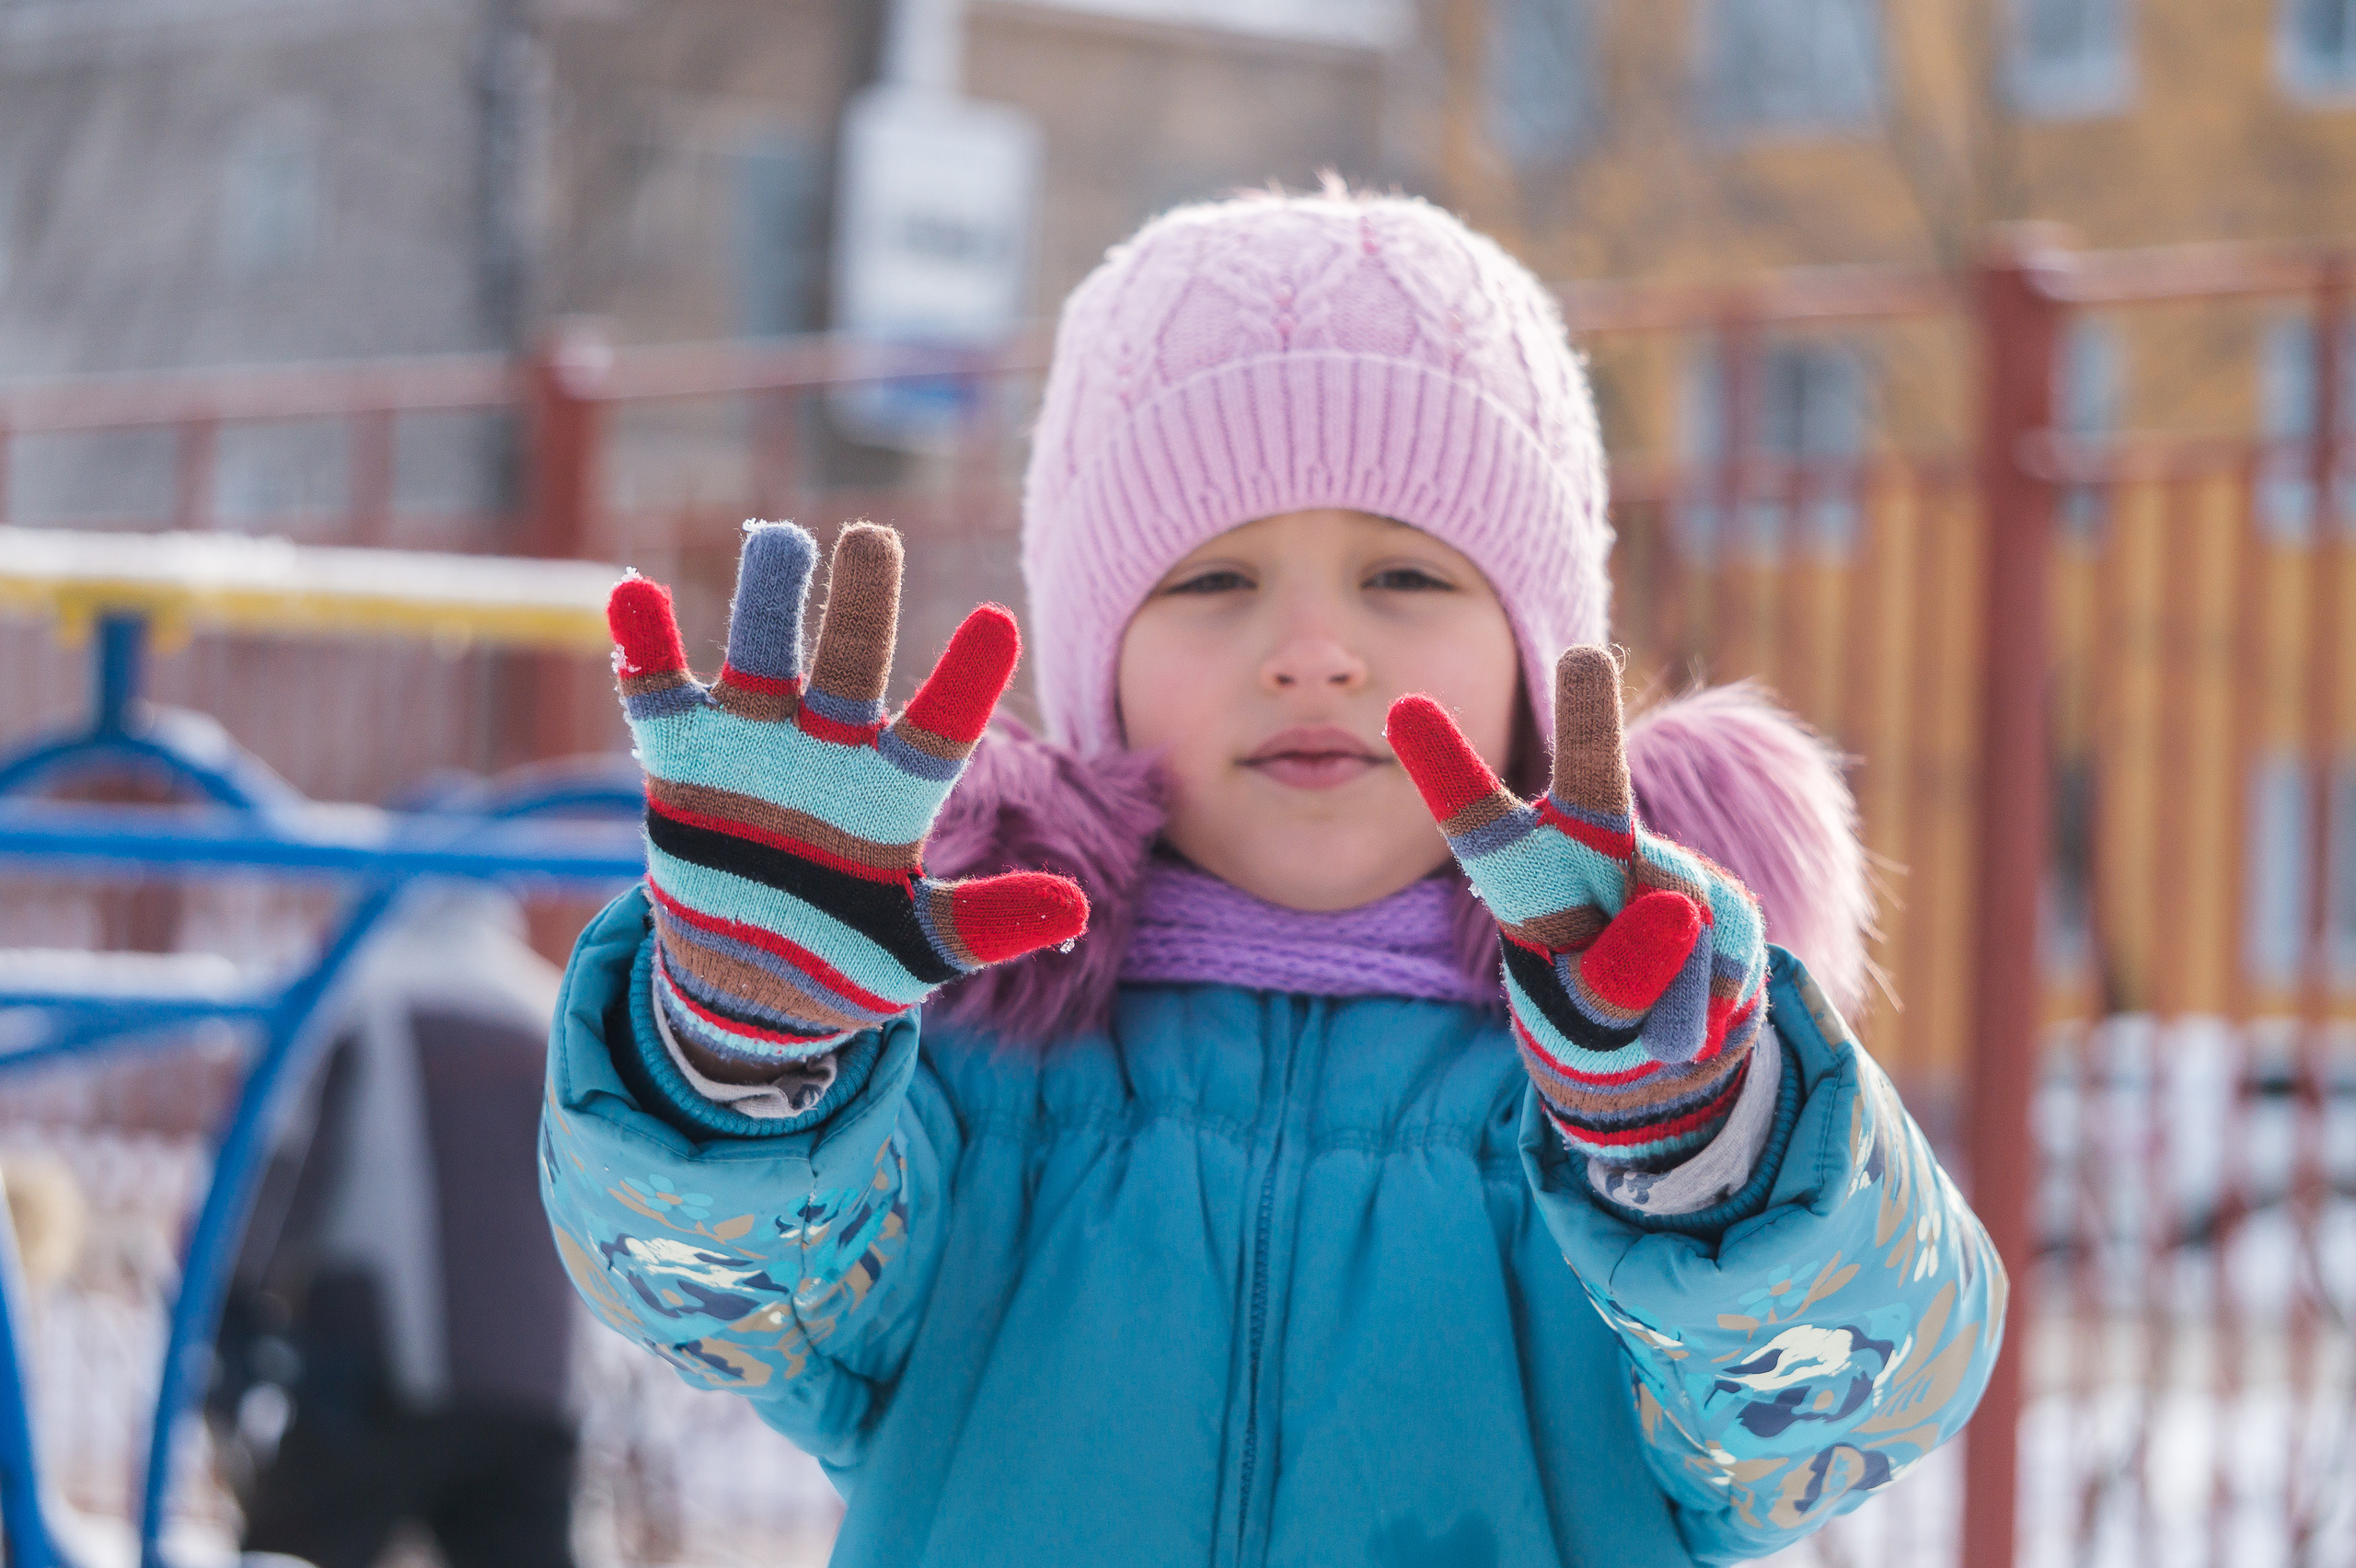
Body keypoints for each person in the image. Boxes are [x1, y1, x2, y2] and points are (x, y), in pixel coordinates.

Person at [538, 183, 2004, 1567]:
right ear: (1096, 660)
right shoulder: (975, 1062)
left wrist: (1692, 1147)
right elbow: (736, 1306)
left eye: (1406, 577)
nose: (1312, 648)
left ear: (1539, 668)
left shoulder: (1629, 1069)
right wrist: (740, 1049)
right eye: (1215, 579)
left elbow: (1843, 1409)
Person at [220, 885, 579, 1568]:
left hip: (384, 1371)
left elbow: (287, 1168)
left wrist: (233, 1297)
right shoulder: (549, 1010)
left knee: (287, 1550)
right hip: (535, 1389)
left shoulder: (362, 999)